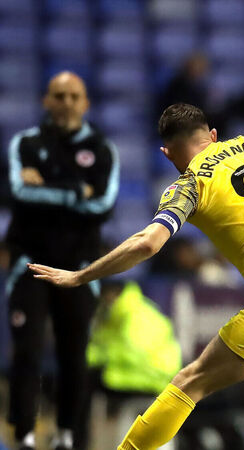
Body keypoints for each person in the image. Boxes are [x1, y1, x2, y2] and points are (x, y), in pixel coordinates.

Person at [28, 103, 244, 450]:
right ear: (213, 135)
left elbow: (147, 243)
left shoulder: (189, 186)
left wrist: (80, 276)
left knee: (190, 383)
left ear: (167, 153)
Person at [5, 71, 119, 450]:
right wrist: (77, 191)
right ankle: (24, 435)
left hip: (80, 266)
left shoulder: (103, 150)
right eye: (59, 95)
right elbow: (19, 193)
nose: (66, 102)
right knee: (27, 350)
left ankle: (69, 436)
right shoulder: (25, 143)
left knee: (74, 355)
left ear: (85, 103)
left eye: (74, 96)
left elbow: (103, 205)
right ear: (46, 100)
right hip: (29, 263)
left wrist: (49, 188)